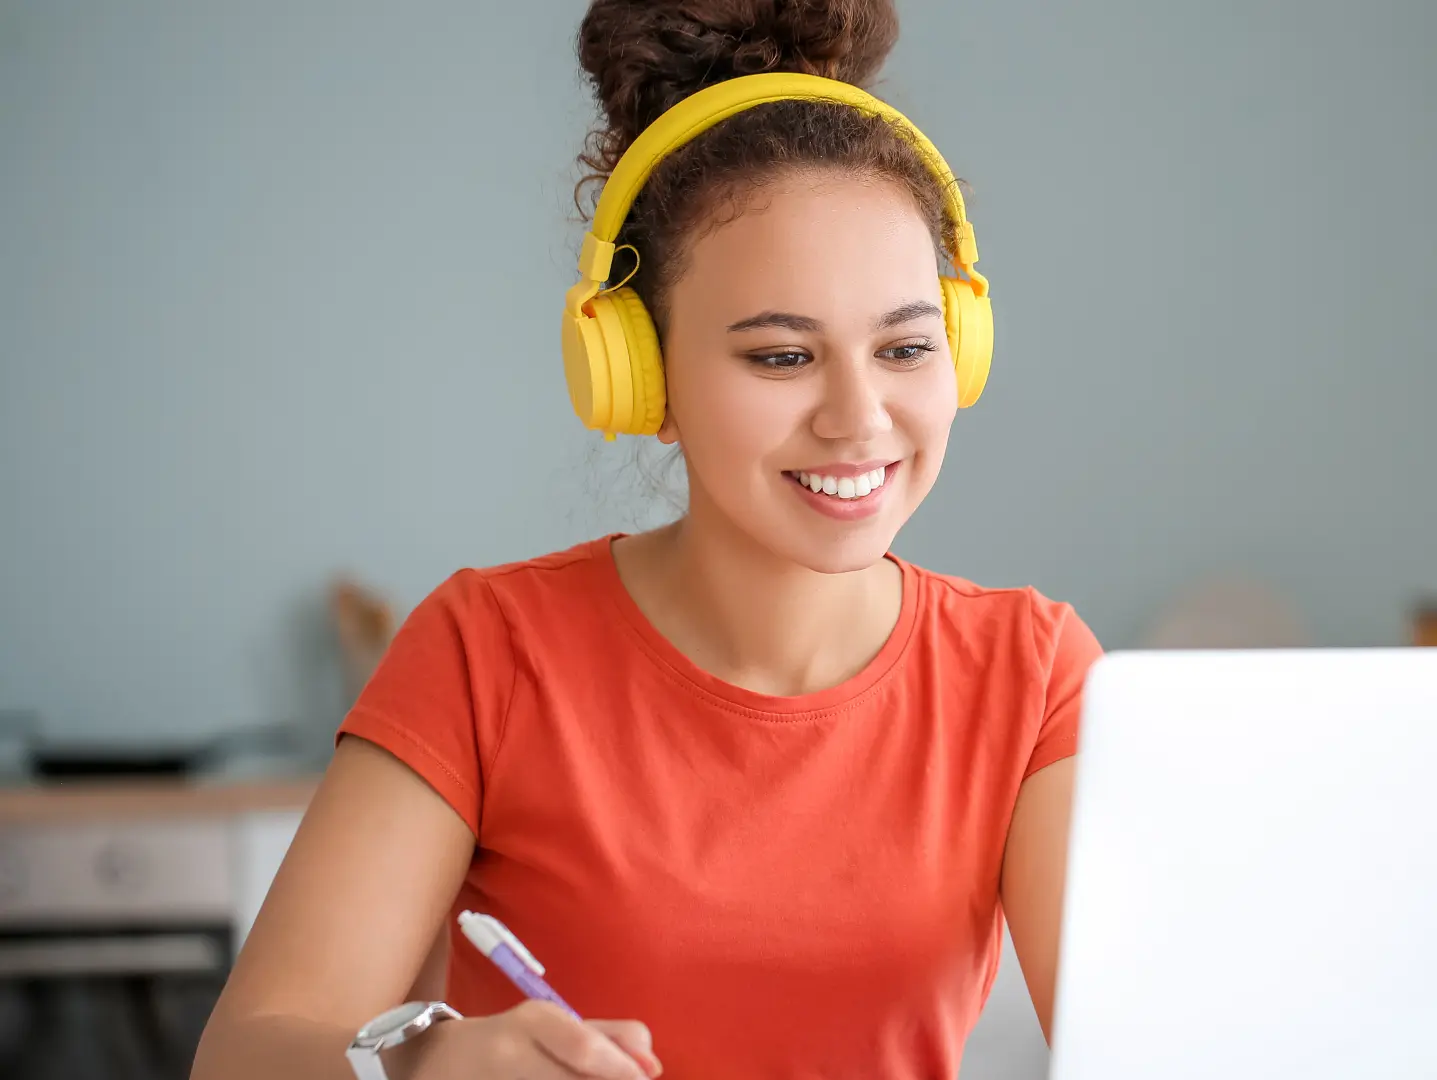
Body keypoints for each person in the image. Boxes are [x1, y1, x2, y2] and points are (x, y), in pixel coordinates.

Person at [189, 1, 1101, 1078]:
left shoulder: (1032, 675)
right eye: (780, 358)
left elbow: (1164, 1043)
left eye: (906, 348)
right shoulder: (487, 652)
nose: (859, 418)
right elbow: (244, 1056)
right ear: (640, 378)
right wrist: (425, 1068)